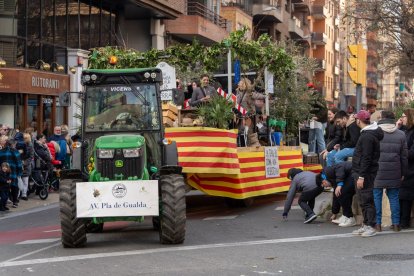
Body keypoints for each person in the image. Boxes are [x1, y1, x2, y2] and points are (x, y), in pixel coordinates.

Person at [373, 110, 408, 232]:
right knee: (394, 197)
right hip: (395, 171)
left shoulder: (374, 132)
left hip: (377, 171)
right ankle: (396, 224)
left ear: (382, 118)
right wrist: (403, 172)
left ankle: (377, 224)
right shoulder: (401, 134)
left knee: (376, 196)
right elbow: (404, 157)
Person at [351, 110, 384, 237]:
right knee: (362, 199)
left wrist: (361, 176)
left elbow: (366, 157)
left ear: (359, 120)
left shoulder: (367, 136)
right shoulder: (367, 134)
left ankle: (371, 225)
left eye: (356, 120)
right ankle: (366, 224)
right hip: (362, 172)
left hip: (365, 173)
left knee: (367, 199)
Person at [325, 162, 356, 227]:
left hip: (354, 172)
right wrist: (334, 212)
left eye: (324, 185)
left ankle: (350, 217)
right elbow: (335, 196)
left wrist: (339, 184)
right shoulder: (331, 179)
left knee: (343, 192)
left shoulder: (327, 172)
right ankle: (345, 216)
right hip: (349, 175)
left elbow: (340, 168)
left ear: (323, 181)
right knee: (339, 193)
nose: (326, 187)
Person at [398, 109, 414, 229]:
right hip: (404, 168)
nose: (401, 118)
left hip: (411, 169)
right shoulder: (404, 130)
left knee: (406, 196)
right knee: (402, 195)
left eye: (403, 116)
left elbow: (412, 152)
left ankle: (404, 222)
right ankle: (402, 221)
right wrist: (397, 127)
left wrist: (401, 153)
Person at [308, 89, 328, 155]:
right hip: (313, 121)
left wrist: (317, 116)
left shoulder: (319, 97)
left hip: (320, 121)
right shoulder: (311, 97)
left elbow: (324, 109)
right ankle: (311, 154)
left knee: (320, 139)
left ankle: (323, 155)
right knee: (311, 139)